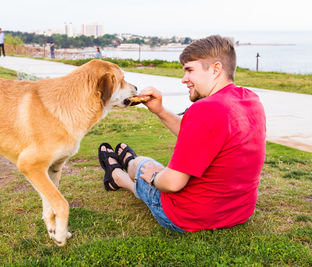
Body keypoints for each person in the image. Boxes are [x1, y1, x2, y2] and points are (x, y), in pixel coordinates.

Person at [98, 35, 266, 233]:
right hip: (238, 213)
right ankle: (126, 169)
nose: (184, 79)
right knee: (147, 168)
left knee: (140, 165)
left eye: (190, 70)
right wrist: (160, 110)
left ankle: (118, 176)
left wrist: (154, 176)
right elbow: (199, 138)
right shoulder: (250, 100)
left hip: (189, 217)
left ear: (216, 69)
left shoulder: (205, 109)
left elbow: (172, 184)